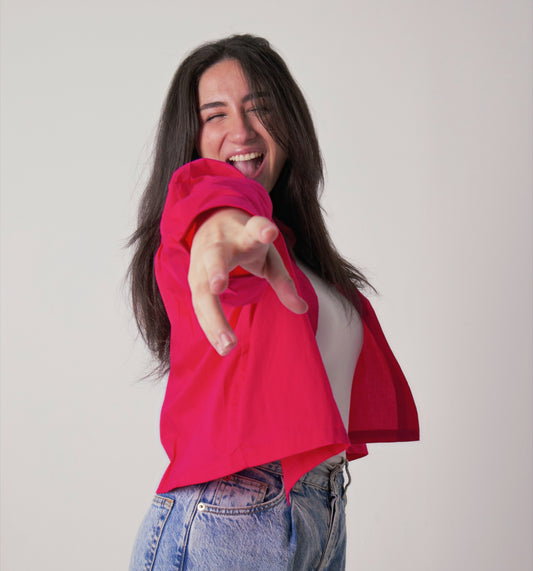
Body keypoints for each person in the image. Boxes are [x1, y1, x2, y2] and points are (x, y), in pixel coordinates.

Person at [128, 34, 419, 570]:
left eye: (259, 109)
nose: (241, 131)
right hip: (232, 516)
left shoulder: (283, 244)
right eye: (215, 115)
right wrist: (222, 226)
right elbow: (215, 208)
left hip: (315, 509)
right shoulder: (200, 220)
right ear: (190, 137)